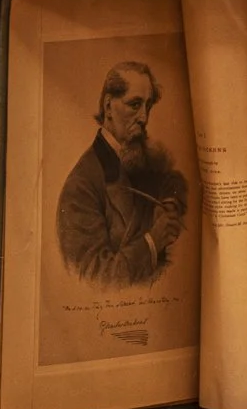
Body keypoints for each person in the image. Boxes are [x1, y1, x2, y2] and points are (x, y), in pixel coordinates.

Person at [55, 57, 189, 289]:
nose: (144, 118)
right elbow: (94, 277)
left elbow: (173, 178)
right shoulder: (81, 186)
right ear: (108, 106)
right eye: (134, 105)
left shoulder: (139, 155)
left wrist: (170, 203)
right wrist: (152, 242)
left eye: (148, 106)